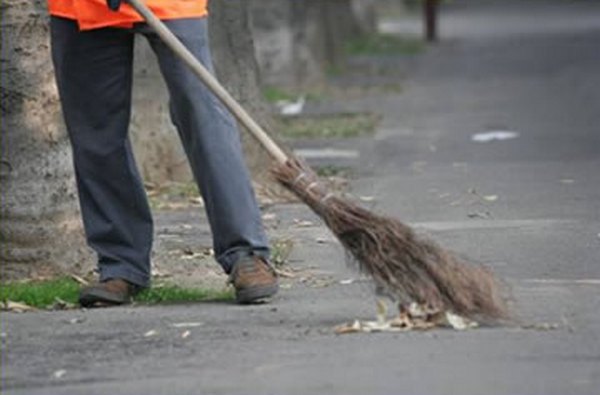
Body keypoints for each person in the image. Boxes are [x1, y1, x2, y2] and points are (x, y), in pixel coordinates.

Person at [47, 0, 278, 306]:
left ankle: (245, 253)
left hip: (172, 4)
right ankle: (121, 265)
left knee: (203, 116)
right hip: (80, 6)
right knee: (94, 130)